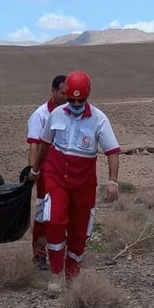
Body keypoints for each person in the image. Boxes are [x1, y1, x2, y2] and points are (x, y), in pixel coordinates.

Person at [28, 71, 121, 294]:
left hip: (84, 182)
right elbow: (44, 143)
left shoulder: (99, 119)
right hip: (57, 176)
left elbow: (112, 151)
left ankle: (73, 274)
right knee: (55, 221)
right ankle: (56, 274)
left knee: (80, 230)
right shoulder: (57, 114)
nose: (76, 104)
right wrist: (35, 169)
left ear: (87, 97)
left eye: (81, 100)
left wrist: (113, 181)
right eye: (72, 99)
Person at [26, 74, 68, 270]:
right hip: (45, 171)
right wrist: (33, 171)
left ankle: (61, 252)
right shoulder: (40, 115)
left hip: (65, 170)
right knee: (43, 213)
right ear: (53, 91)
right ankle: (39, 254)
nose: (66, 96)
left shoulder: (71, 112)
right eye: (63, 92)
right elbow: (34, 145)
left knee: (62, 213)